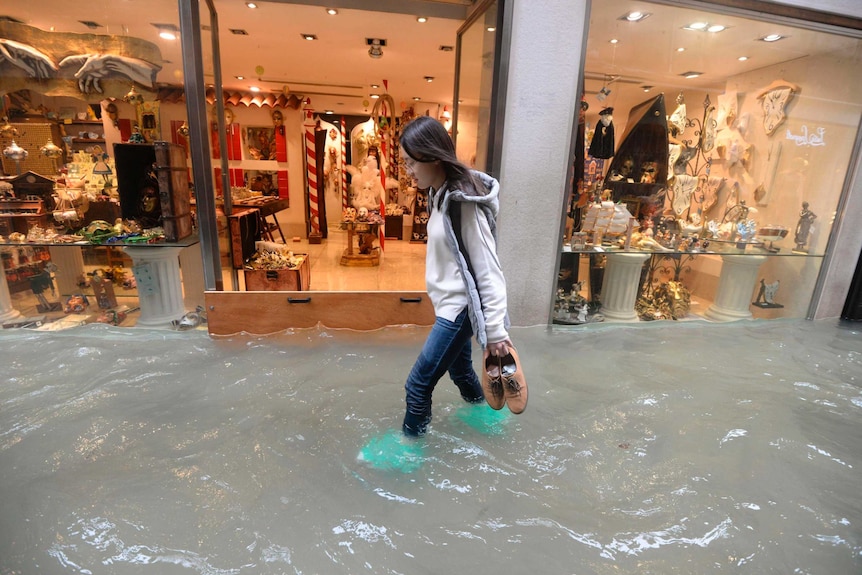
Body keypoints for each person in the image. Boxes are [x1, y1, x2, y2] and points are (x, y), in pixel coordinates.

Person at [398, 115, 516, 437]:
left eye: (411, 163)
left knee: (418, 384)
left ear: (433, 156)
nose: (408, 171)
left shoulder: (462, 202)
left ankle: (410, 449)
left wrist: (494, 332)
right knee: (462, 371)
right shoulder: (438, 194)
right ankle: (489, 420)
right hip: (449, 305)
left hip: (458, 311)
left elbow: (488, 268)